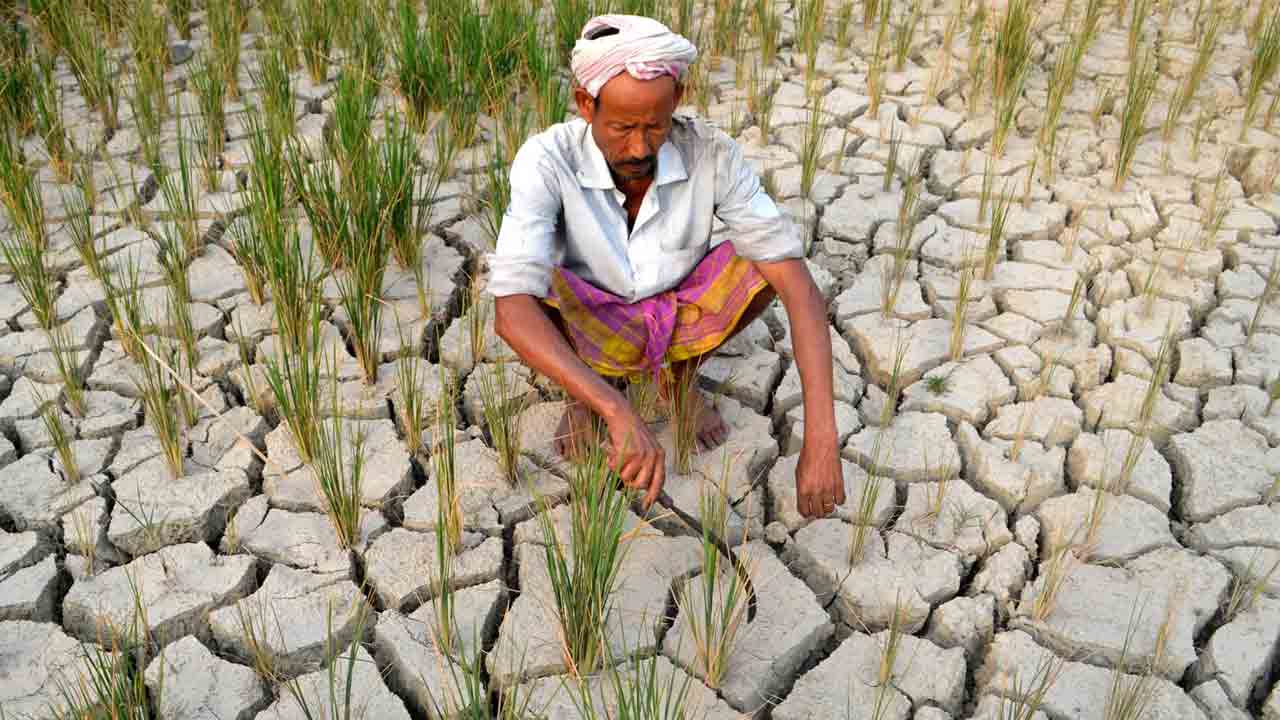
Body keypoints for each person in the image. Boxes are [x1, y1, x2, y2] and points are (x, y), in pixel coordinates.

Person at [486, 14, 844, 519]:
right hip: (587, 317)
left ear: (677, 99)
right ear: (586, 105)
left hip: (673, 312)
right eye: (622, 127)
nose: (638, 147)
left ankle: (680, 379)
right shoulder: (546, 160)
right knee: (527, 278)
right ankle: (586, 395)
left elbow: (800, 289)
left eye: (654, 126)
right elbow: (510, 312)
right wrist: (617, 410)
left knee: (766, 260)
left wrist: (822, 438)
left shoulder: (711, 152)